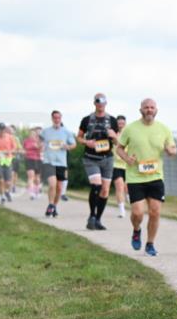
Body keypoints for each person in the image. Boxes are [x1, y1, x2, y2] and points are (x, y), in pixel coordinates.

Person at [116, 98, 177, 256]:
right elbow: (119, 148)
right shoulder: (130, 129)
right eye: (146, 107)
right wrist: (127, 159)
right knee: (137, 212)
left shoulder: (164, 129)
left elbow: (172, 148)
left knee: (155, 211)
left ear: (156, 110)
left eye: (152, 107)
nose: (149, 110)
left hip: (156, 176)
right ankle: (136, 230)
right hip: (135, 177)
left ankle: (150, 243)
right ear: (141, 110)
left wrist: (170, 151)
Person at [78, 93, 118, 230]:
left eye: (103, 101)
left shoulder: (112, 120)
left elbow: (118, 142)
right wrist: (86, 142)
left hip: (107, 158)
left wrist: (113, 136)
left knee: (105, 190)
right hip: (91, 158)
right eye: (97, 101)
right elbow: (79, 137)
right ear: (94, 103)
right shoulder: (87, 119)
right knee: (96, 185)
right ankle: (92, 216)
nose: (100, 103)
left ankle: (98, 219)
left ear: (106, 103)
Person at [41, 110, 76, 217]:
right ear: (52, 119)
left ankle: (54, 206)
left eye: (58, 118)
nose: (56, 120)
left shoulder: (66, 132)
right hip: (49, 161)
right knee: (52, 184)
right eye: (55, 118)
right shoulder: (45, 131)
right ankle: (50, 205)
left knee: (59, 188)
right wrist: (41, 146)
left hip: (61, 162)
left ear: (61, 119)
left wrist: (68, 147)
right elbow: (40, 143)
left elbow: (74, 144)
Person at [0, 123, 17, 203]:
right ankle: (2, 196)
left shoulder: (10, 138)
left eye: (3, 129)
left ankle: (6, 191)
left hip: (7, 161)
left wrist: (8, 152)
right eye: (0, 129)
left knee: (8, 182)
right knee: (1, 180)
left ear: (5, 130)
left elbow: (14, 148)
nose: (2, 131)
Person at [112, 115, 128, 218]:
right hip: (115, 164)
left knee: (126, 187)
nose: (121, 125)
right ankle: (122, 210)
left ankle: (128, 196)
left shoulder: (129, 134)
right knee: (119, 186)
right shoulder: (113, 134)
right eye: (119, 123)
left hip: (128, 164)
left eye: (123, 123)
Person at [23, 127, 44, 200]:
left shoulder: (38, 140)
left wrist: (39, 145)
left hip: (38, 160)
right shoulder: (26, 141)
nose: (32, 134)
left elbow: (41, 149)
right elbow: (23, 149)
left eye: (33, 133)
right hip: (29, 159)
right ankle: (31, 193)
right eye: (31, 133)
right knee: (31, 176)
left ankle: (37, 191)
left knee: (37, 178)